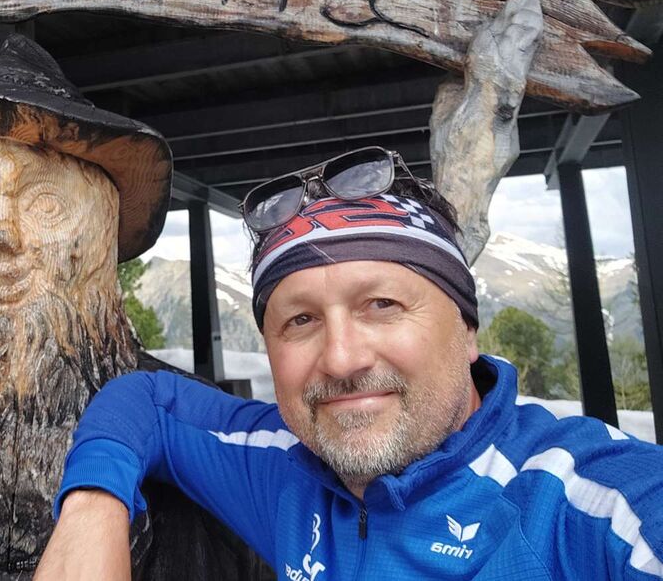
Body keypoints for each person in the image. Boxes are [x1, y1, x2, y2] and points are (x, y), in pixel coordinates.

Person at [35, 146, 663, 580]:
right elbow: (146, 401)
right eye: (300, 321)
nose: (340, 358)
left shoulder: (593, 503)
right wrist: (93, 506)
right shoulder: (285, 466)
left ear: (467, 330)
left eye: (382, 305)